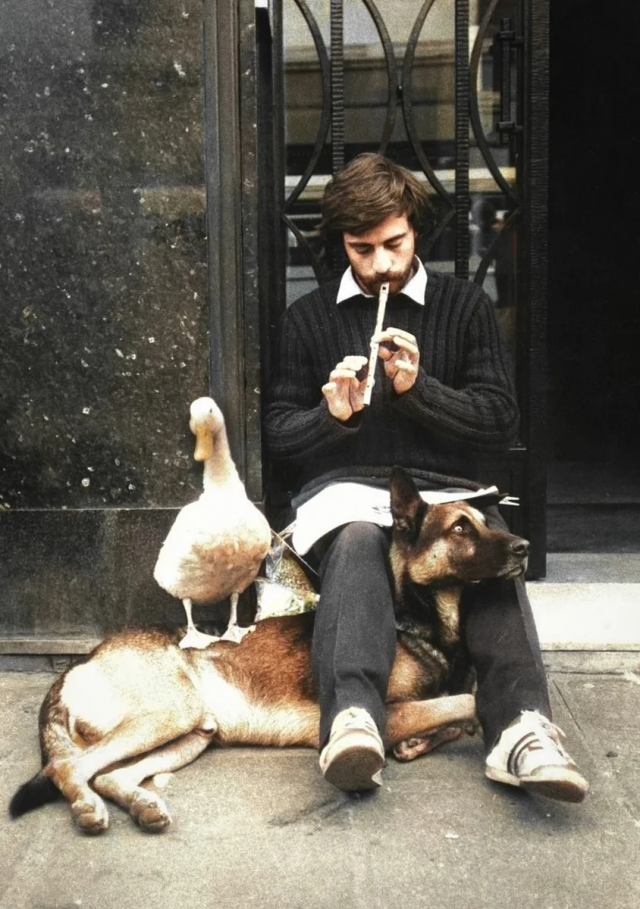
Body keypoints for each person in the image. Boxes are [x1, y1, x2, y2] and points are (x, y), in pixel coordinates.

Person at [263, 153, 588, 803]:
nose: (380, 264)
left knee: (486, 547)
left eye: (394, 244)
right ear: (341, 243)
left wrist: (419, 390)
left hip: (443, 493)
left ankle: (522, 725)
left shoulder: (463, 306)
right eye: (361, 249)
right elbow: (278, 433)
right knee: (359, 538)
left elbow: (499, 419)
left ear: (415, 229)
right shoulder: (309, 317)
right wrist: (332, 416)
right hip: (348, 493)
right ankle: (352, 719)